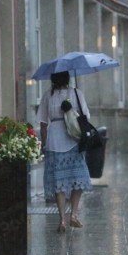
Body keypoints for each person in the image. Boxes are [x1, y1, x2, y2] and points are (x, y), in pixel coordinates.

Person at [36, 71, 92, 233]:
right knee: (78, 178)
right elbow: (86, 116)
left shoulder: (48, 96)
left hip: (54, 141)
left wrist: (44, 143)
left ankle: (62, 219)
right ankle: (73, 214)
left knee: (58, 182)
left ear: (53, 79)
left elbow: (43, 123)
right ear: (68, 78)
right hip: (74, 139)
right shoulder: (76, 93)